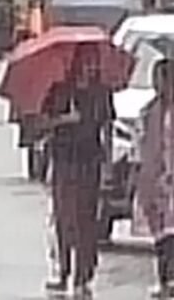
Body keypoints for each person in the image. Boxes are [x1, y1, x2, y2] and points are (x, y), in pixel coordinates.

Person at [40, 44, 115, 295]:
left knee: (86, 220)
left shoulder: (101, 93)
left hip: (89, 161)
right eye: (87, 61)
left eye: (94, 62)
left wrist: (108, 165)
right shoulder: (60, 90)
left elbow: (107, 128)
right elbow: (43, 123)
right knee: (63, 218)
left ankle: (83, 275)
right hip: (63, 159)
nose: (91, 67)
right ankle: (62, 271)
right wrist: (63, 119)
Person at [133, 59, 174, 299]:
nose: (158, 85)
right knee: (160, 232)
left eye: (161, 79)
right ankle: (163, 279)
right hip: (154, 178)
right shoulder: (149, 111)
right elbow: (140, 144)